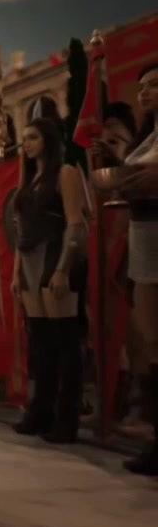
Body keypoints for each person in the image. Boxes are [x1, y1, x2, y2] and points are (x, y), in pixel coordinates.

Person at [12, 117, 88, 443]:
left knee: (65, 342)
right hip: (30, 261)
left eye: (32, 137)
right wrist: (16, 272)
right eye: (24, 138)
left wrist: (62, 269)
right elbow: (21, 231)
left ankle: (66, 419)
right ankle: (40, 411)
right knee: (41, 342)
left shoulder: (65, 173)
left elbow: (75, 223)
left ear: (49, 139)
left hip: (55, 255)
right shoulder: (29, 179)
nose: (25, 144)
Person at [116, 65, 158, 473]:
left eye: (155, 85)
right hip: (144, 238)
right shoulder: (146, 139)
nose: (145, 92)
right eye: (142, 86)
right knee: (151, 341)